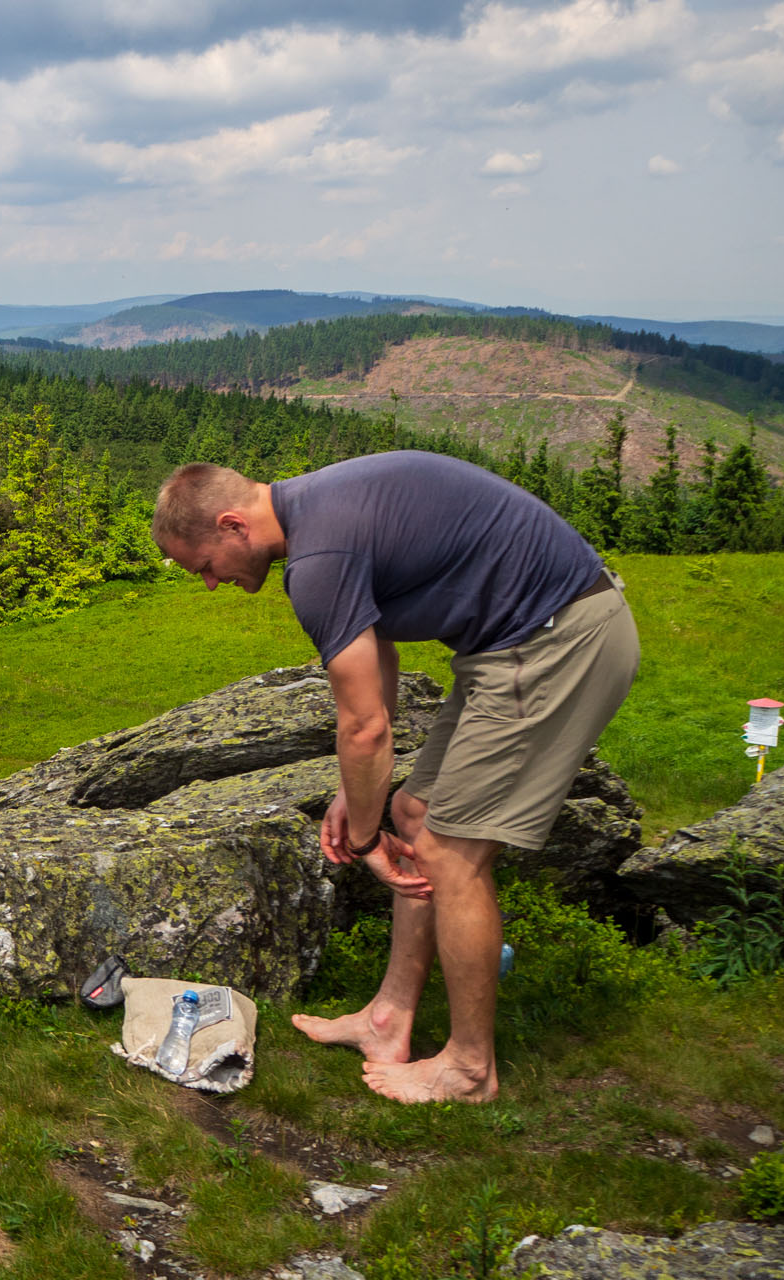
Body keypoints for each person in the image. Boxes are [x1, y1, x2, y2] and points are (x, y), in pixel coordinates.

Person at [151, 452, 638, 1103]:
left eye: (204, 566)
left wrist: (359, 837)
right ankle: (388, 1021)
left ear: (233, 525)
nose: (210, 583)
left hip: (557, 639)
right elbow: (377, 667)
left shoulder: (317, 561)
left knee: (448, 850)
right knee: (414, 818)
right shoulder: (319, 515)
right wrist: (364, 804)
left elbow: (366, 729)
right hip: (517, 644)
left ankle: (469, 1070)